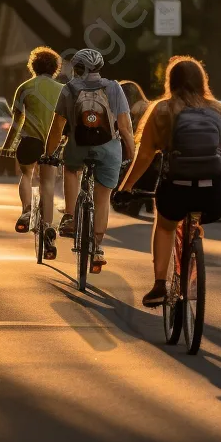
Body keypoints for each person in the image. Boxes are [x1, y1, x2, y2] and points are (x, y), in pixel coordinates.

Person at [117, 55, 221, 307]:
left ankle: (159, 285)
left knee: (165, 225)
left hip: (175, 191)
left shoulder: (162, 109)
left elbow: (144, 156)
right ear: (202, 80)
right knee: (196, 218)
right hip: (214, 194)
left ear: (170, 81)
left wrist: (126, 188)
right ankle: (194, 259)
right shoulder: (216, 108)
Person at [45, 48, 135, 273]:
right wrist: (132, 155)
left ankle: (72, 216)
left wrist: (48, 153)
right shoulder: (114, 88)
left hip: (78, 147)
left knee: (71, 170)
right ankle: (97, 248)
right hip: (109, 150)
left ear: (76, 69)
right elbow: (124, 127)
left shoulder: (69, 89)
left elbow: (57, 127)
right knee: (103, 198)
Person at [0, 46, 66, 259]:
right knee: (48, 184)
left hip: (30, 142)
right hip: (52, 144)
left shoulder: (24, 87)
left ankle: (26, 210)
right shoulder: (63, 90)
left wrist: (8, 146)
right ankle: (49, 232)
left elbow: (17, 121)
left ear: (33, 66)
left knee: (26, 175)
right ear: (55, 68)